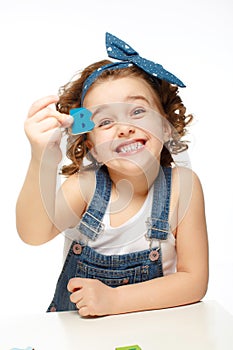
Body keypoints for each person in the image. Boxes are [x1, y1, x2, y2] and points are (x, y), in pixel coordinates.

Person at [16, 32, 208, 317]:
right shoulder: (85, 187)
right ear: (90, 146)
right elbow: (33, 234)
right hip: (82, 335)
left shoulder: (182, 185)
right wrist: (41, 159)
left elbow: (194, 281)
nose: (124, 127)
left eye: (138, 110)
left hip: (157, 330)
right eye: (105, 121)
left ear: (166, 126)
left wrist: (115, 301)